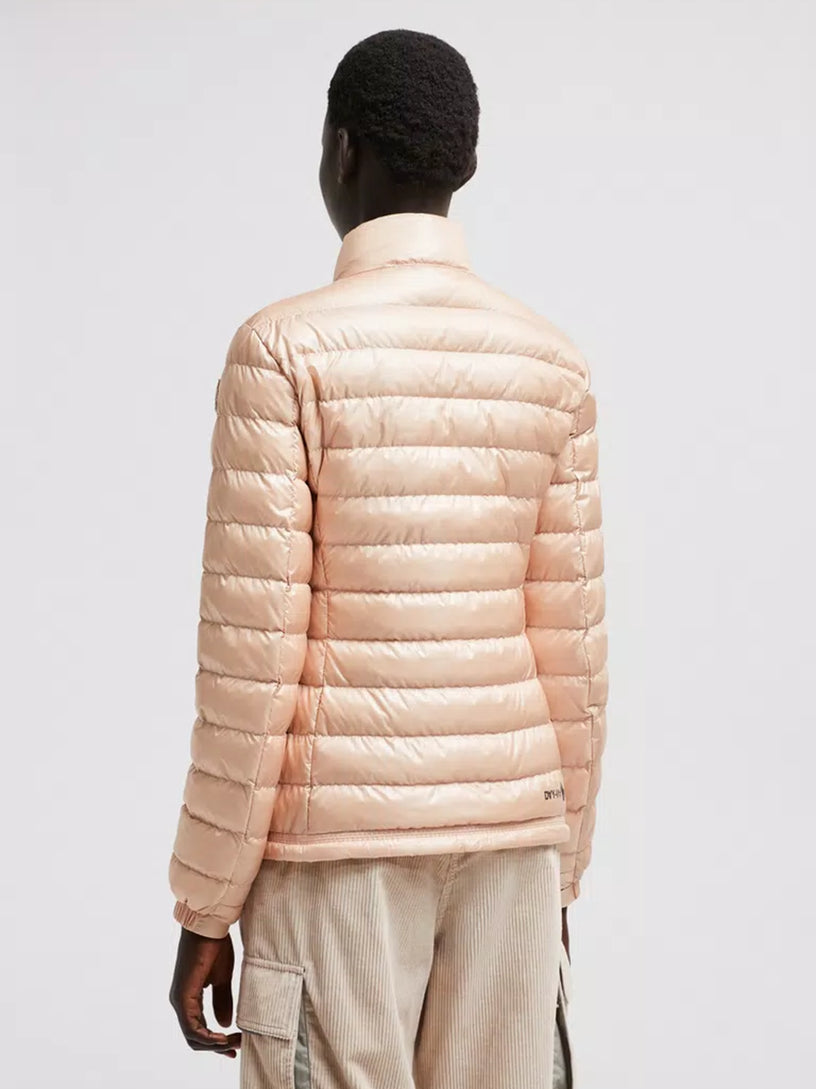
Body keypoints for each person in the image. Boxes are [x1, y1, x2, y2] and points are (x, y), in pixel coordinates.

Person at [168, 27, 607, 1089]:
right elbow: (576, 656)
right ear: (466, 162)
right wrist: (558, 871)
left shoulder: (284, 351)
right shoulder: (551, 362)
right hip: (512, 841)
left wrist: (206, 902)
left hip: (336, 854)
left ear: (342, 149)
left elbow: (252, 663)